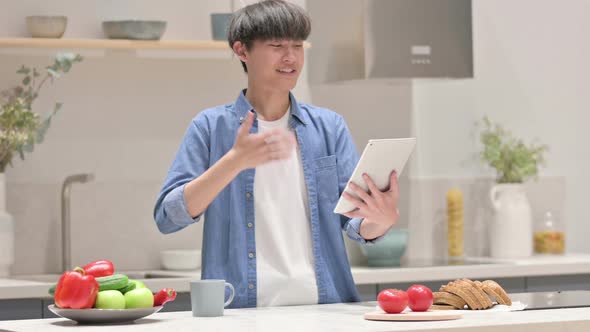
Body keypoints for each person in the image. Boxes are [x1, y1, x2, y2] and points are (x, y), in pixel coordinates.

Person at [153, 0, 400, 308]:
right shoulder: (209, 127)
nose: (291, 56)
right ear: (242, 51)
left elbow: (354, 224)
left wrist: (381, 220)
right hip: (240, 312)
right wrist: (233, 162)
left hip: (326, 309)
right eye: (277, 45)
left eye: (298, 45)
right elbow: (167, 217)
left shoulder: (329, 127)